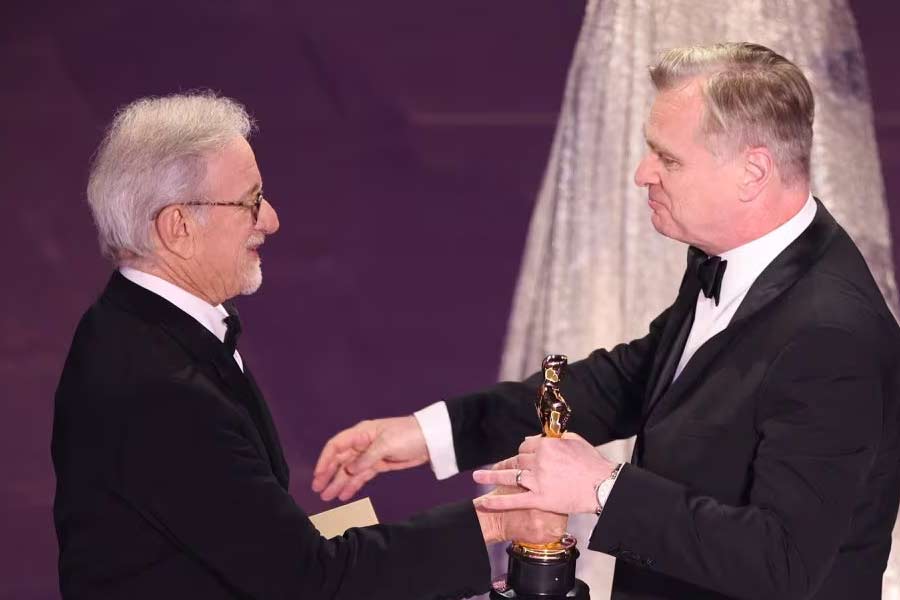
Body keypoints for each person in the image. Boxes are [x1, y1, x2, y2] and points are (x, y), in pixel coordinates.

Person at [313, 43, 900, 599]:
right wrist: (430, 434)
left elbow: (785, 564)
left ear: (753, 172)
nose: (643, 173)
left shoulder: (831, 334)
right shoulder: (733, 260)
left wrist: (602, 488)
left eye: (668, 157)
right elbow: (620, 383)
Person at [50, 93, 564, 600]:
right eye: (250, 201)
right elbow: (310, 581)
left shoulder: (135, 326)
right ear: (177, 226)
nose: (270, 219)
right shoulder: (160, 389)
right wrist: (494, 522)